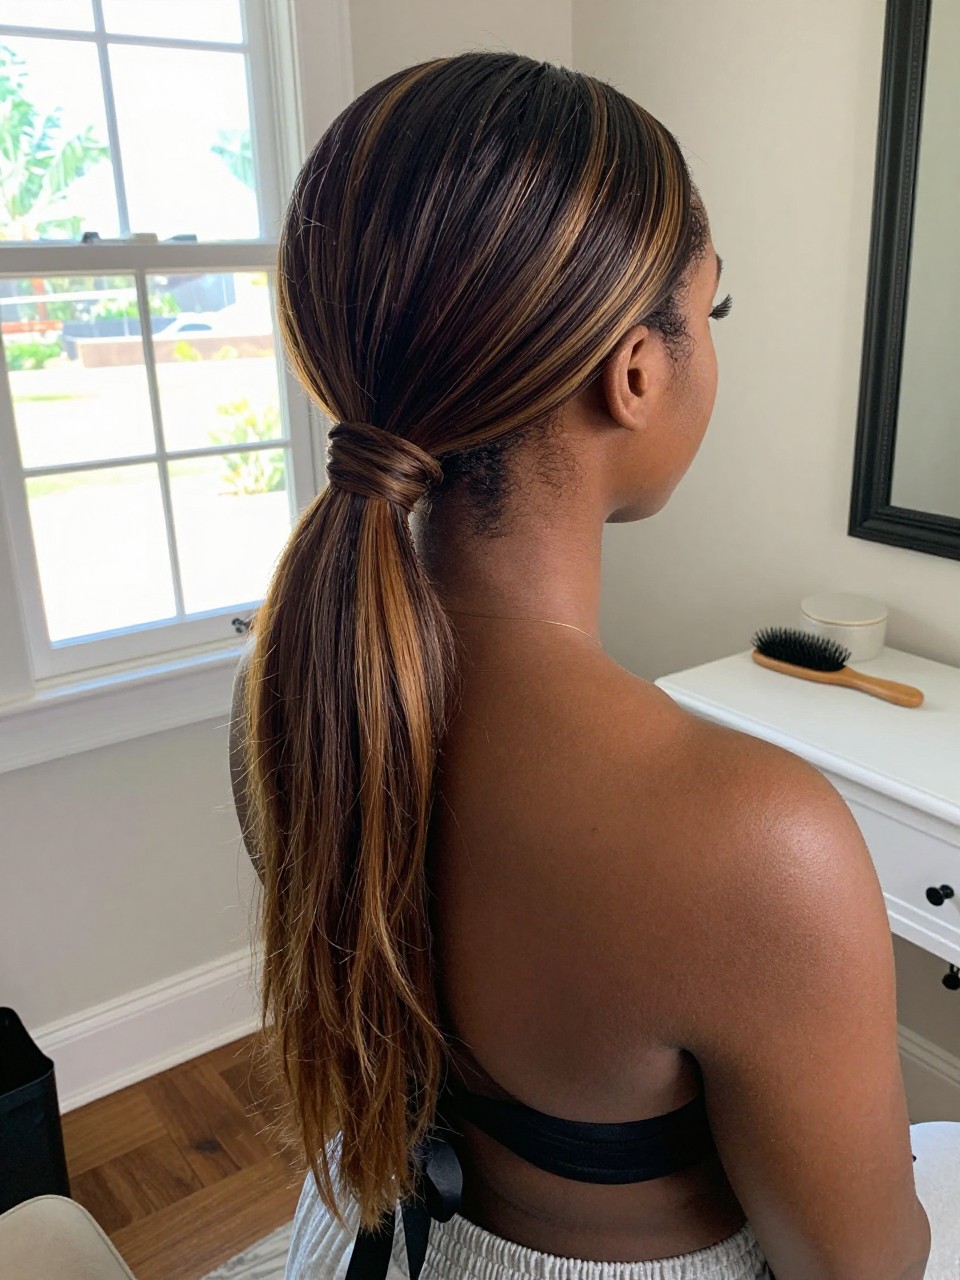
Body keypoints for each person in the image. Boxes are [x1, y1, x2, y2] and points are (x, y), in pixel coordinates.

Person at [229, 51, 960, 1280]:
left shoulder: (294, 685)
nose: (712, 346)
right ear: (635, 371)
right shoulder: (755, 838)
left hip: (359, 1232)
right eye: (712, 311)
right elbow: (865, 1266)